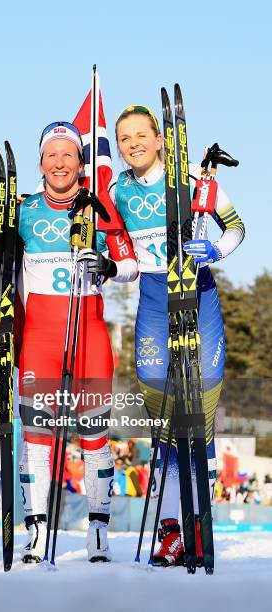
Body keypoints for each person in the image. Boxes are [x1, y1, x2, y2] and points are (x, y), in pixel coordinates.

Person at [112, 105, 245, 566]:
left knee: (200, 416)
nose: (133, 144)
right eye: (124, 137)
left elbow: (237, 226)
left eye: (140, 135)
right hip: (153, 298)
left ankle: (198, 525)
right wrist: (114, 267)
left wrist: (214, 250)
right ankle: (170, 529)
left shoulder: (191, 176)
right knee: (164, 420)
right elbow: (125, 258)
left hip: (198, 293)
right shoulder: (117, 191)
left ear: (160, 138)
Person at [17, 121, 138, 563]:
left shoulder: (100, 210)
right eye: (52, 154)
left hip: (88, 331)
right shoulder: (24, 211)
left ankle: (98, 532)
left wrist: (106, 266)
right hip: (39, 335)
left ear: (81, 162)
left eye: (69, 154)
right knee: (37, 437)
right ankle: (36, 530)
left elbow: (130, 266)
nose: (61, 162)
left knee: (94, 435)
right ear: (42, 163)